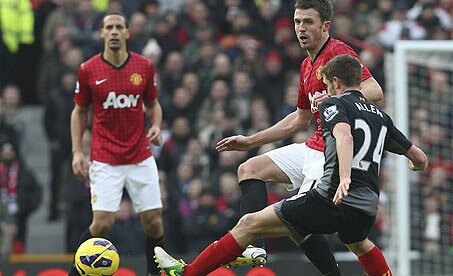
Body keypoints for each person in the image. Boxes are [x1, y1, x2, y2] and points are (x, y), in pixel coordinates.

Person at [154, 54, 428, 276]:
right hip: (366, 207)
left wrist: (344, 177)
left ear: (335, 82)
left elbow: (343, 135)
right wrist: (415, 166)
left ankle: (187, 273)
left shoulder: (334, 104)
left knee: (249, 222)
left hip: (331, 198)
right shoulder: (381, 117)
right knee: (358, 242)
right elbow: (418, 157)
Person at [215, 0, 384, 274]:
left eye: (307, 22)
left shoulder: (338, 51)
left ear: (325, 26)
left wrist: (333, 98)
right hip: (313, 144)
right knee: (249, 168)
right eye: (297, 22)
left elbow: (374, 89)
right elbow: (300, 119)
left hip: (332, 152)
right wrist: (250, 140)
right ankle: (254, 247)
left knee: (303, 223)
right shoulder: (307, 64)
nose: (300, 28)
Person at [68, 12, 165, 276]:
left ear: (127, 33)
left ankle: (152, 274)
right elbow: (79, 111)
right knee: (101, 224)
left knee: (154, 223)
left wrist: (156, 125)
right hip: (105, 157)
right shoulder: (88, 69)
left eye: (118, 27)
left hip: (140, 155)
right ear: (101, 33)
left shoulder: (144, 66)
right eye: (108, 27)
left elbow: (153, 104)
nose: (113, 31)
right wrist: (77, 151)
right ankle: (75, 273)